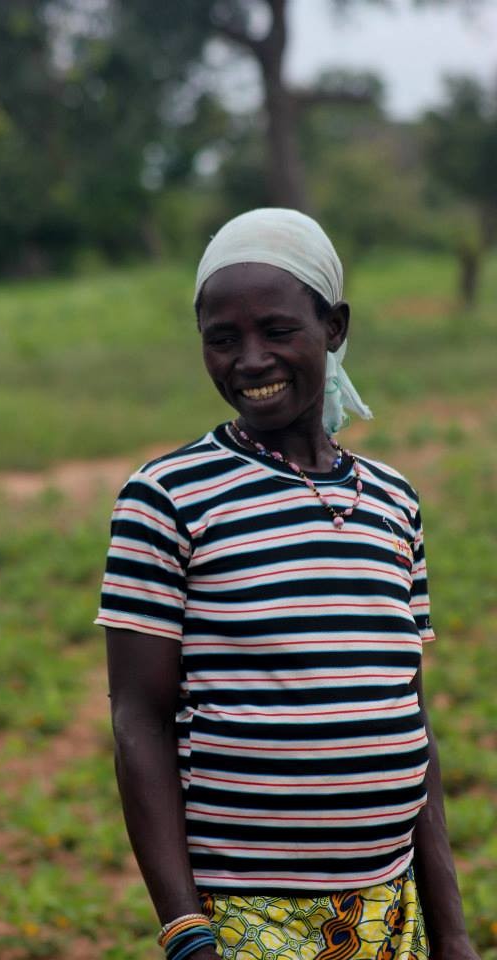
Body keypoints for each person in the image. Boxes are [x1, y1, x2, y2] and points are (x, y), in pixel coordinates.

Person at [96, 209, 478, 960]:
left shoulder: (394, 500)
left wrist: (452, 931)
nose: (250, 360)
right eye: (222, 339)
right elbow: (138, 719)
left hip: (387, 907)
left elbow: (409, 715)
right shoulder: (168, 497)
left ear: (334, 327)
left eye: (277, 330)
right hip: (246, 914)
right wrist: (183, 928)